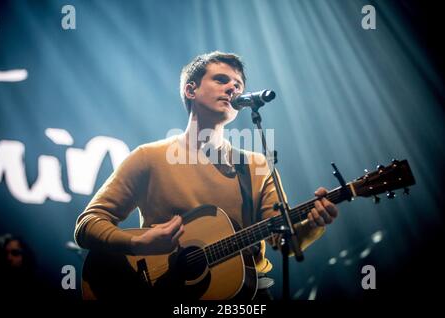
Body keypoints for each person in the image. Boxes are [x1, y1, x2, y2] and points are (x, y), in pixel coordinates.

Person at [74, 51, 339, 300]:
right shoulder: (148, 157)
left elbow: (283, 243)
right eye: (221, 79)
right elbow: (88, 224)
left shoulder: (257, 165)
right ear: (190, 89)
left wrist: (314, 223)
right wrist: (139, 242)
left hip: (247, 297)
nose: (232, 89)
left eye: (238, 85)